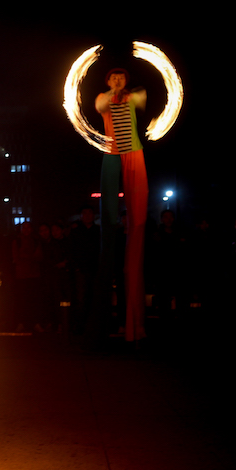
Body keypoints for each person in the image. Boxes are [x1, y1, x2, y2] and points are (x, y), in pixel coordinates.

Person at [96, 68, 148, 343]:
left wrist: (126, 93)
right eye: (113, 78)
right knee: (109, 218)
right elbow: (101, 105)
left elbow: (142, 98)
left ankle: (136, 326)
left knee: (138, 220)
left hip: (134, 154)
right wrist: (114, 93)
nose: (118, 81)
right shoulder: (104, 97)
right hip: (112, 155)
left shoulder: (133, 96)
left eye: (122, 78)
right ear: (107, 81)